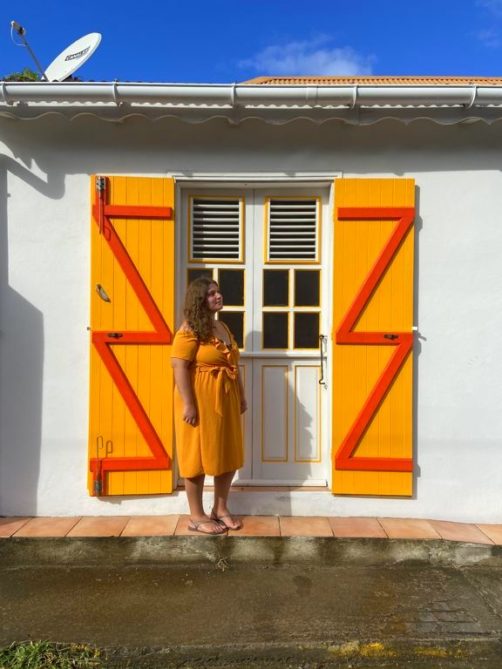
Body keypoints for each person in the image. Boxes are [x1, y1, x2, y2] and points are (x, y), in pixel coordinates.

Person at [171, 277, 247, 534]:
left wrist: (241, 395)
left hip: (226, 398)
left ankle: (220, 509)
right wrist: (188, 404)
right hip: (199, 399)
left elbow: (232, 364)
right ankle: (196, 516)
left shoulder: (222, 326)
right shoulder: (188, 330)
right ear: (199, 300)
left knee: (227, 452)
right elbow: (179, 367)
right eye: (211, 293)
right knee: (197, 455)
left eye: (218, 291)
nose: (218, 296)